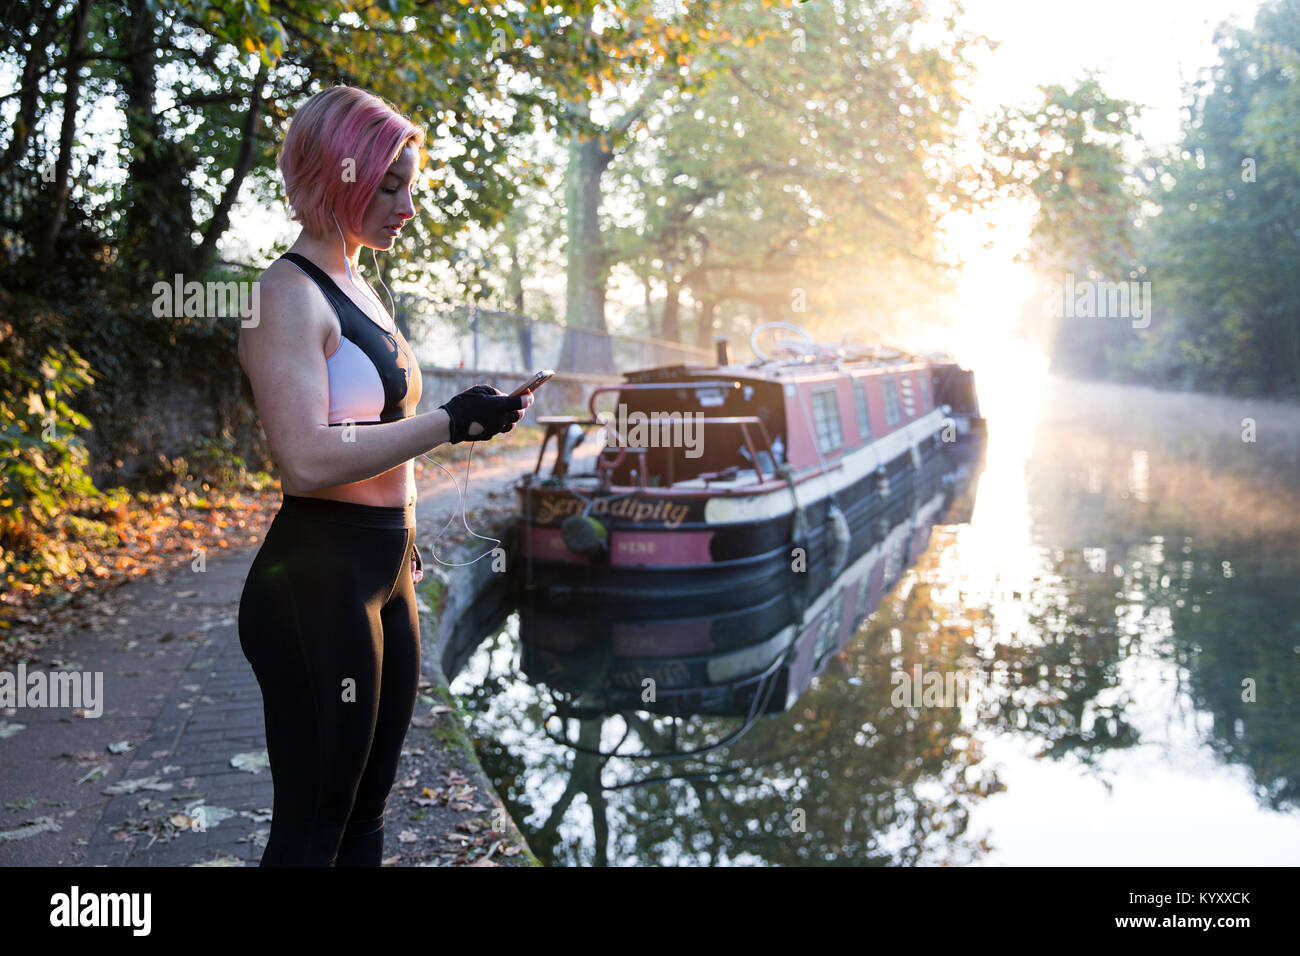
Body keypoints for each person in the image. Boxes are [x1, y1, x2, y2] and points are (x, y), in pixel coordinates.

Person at [236, 85, 532, 866]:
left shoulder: (359, 283)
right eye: (389, 186)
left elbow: (377, 431)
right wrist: (449, 422)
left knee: (367, 809)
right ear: (336, 178)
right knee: (316, 817)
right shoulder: (283, 296)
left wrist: (473, 423)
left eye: (411, 187)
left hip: (387, 567)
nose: (408, 206)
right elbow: (304, 458)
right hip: (316, 579)